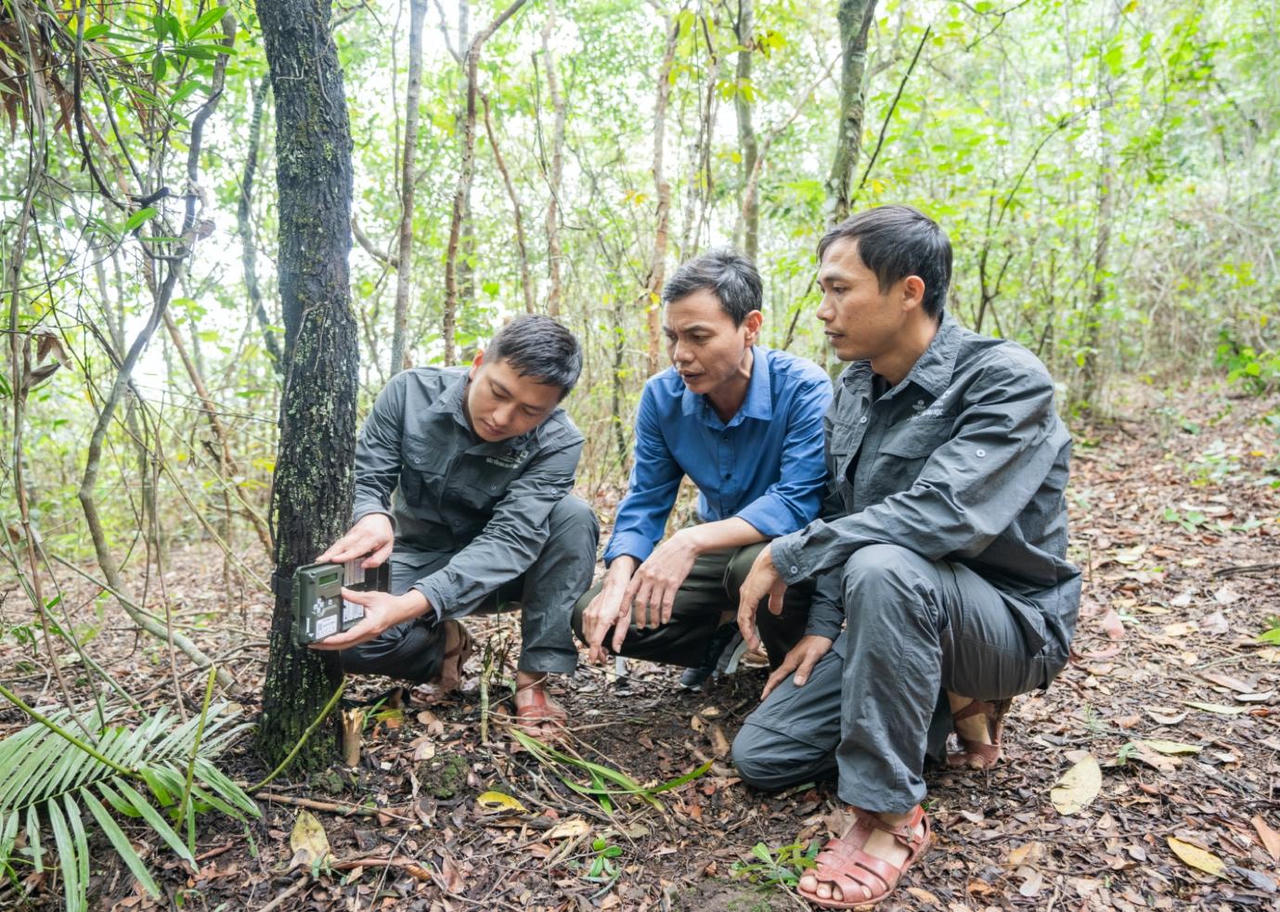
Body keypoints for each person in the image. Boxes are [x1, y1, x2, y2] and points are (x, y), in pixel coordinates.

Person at [731, 206, 1080, 909]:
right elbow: (842, 508)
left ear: (908, 292)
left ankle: (891, 814)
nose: (823, 309)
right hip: (890, 613)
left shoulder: (1005, 378)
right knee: (763, 757)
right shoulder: (854, 387)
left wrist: (791, 551)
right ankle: (950, 707)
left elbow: (942, 515)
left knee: (884, 565)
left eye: (839, 289)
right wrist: (824, 623)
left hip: (1009, 623)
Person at [311, 314, 599, 737]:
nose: (502, 417)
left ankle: (533, 682)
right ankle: (442, 647)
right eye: (497, 392)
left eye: (529, 411)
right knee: (343, 640)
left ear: (552, 409)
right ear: (479, 363)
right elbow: (369, 476)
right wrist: (373, 514)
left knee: (573, 515)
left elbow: (510, 540)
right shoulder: (409, 393)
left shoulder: (559, 441)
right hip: (418, 556)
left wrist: (406, 607)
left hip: (509, 572)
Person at [575, 250, 832, 688]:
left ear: (750, 327)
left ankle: (794, 674)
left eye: (698, 336)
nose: (681, 355)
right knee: (595, 611)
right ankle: (720, 639)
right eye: (673, 337)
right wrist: (620, 574)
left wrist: (689, 541)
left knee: (752, 565)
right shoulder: (662, 398)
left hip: (786, 552)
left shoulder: (805, 388)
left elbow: (798, 501)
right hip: (716, 552)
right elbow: (646, 498)